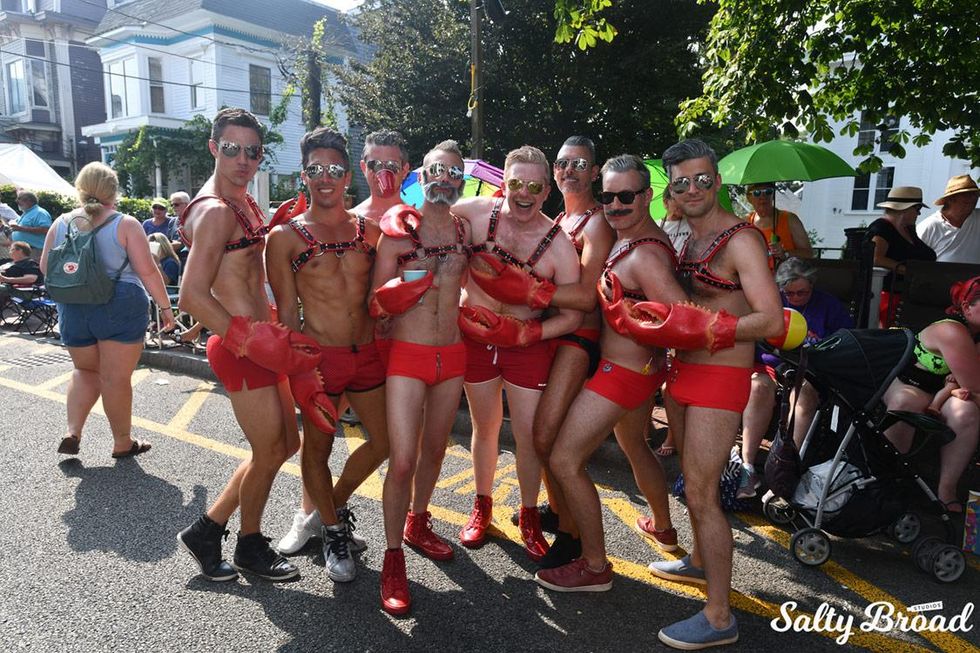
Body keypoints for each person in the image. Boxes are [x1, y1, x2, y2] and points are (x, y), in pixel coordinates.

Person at [650, 139, 783, 649]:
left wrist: (712, 332)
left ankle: (720, 615)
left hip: (720, 379)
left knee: (704, 494)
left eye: (702, 179)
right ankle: (700, 562)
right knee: (690, 478)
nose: (693, 189)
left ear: (718, 181)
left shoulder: (741, 240)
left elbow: (771, 319)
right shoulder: (683, 235)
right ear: (673, 190)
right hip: (681, 375)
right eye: (681, 182)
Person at [176, 107, 318, 583]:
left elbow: (238, 274)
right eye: (232, 149)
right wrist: (247, 339)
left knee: (285, 443)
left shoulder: (241, 200)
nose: (243, 159)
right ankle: (249, 545)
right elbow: (192, 295)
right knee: (269, 449)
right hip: (243, 347)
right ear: (214, 148)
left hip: (260, 343)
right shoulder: (216, 209)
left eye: (253, 151)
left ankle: (207, 528)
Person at [534, 154, 685, 592]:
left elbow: (681, 316)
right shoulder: (633, 236)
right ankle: (662, 527)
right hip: (637, 367)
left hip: (622, 370)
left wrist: (641, 325)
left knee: (564, 458)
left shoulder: (646, 254)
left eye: (626, 196)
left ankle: (595, 565)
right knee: (635, 445)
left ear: (647, 196)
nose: (615, 205)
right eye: (609, 197)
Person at [265, 127, 389, 583]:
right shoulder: (284, 238)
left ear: (346, 176)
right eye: (315, 169)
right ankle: (335, 532)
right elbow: (284, 312)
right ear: (304, 175)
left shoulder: (369, 231)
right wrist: (296, 368)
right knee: (317, 449)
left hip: (368, 353)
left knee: (386, 440)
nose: (325, 178)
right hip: (320, 359)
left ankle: (327, 508)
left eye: (334, 169)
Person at [451, 145, 582, 560]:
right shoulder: (472, 213)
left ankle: (528, 514)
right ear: (502, 183)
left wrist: (532, 332)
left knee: (527, 435)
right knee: (484, 425)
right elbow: (427, 234)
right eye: (515, 184)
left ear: (547, 191)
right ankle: (482, 506)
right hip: (475, 337)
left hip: (528, 346)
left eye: (534, 186)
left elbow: (575, 315)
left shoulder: (558, 244)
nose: (523, 193)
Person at [371, 139, 472, 615]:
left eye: (453, 174)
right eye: (436, 171)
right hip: (408, 355)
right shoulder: (397, 234)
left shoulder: (466, 232)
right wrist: (394, 297)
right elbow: (374, 301)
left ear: (462, 180)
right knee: (405, 459)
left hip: (452, 353)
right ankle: (393, 559)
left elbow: (484, 282)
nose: (444, 180)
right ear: (421, 175)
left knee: (436, 450)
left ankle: (418, 521)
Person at [517, 136, 614, 569]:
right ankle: (559, 512)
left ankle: (574, 537)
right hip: (552, 333)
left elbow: (587, 297)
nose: (569, 169)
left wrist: (529, 289)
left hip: (579, 340)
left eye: (579, 163)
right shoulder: (560, 217)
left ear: (595, 172)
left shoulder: (597, 223)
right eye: (562, 163)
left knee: (545, 438)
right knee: (545, 438)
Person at [40, 162, 174, 458]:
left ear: (79, 188)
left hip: (74, 306)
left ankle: (73, 431)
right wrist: (166, 308)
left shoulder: (61, 222)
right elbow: (148, 272)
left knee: (85, 370)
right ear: (114, 192)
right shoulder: (125, 224)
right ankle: (122, 442)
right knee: (115, 378)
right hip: (120, 305)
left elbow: (45, 268)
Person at [736, 257, 854, 499]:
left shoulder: (829, 305)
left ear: (812, 286)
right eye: (790, 293)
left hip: (809, 368)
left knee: (804, 397)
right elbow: (754, 340)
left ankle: (786, 469)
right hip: (772, 365)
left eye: (802, 292)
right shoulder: (771, 302)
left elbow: (845, 343)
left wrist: (817, 344)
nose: (796, 298)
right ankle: (748, 466)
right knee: (757, 388)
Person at [883, 276, 980, 512]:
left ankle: (946, 490)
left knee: (965, 412)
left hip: (948, 391)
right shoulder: (952, 330)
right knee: (905, 402)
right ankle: (886, 480)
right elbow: (976, 386)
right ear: (967, 307)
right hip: (913, 384)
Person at [866, 186, 936, 326]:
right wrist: (907, 270)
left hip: (911, 296)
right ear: (905, 209)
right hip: (888, 296)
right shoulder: (881, 228)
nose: (919, 214)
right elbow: (876, 258)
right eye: (917, 209)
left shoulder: (909, 229)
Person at [916, 175, 980, 264]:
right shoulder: (929, 227)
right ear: (951, 199)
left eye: (975, 194)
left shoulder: (977, 217)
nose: (973, 198)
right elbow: (915, 264)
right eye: (967, 194)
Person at [745, 182, 813, 266]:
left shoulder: (790, 219)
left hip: (786, 276)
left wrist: (785, 254)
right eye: (757, 193)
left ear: (773, 195)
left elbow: (809, 253)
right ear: (749, 198)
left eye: (768, 191)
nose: (763, 197)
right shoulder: (745, 222)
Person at [353, 130, 413, 221]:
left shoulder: (417, 221)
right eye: (375, 165)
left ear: (404, 170)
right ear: (364, 168)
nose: (383, 172)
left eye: (391, 165)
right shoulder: (350, 221)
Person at [11, 191, 52, 262]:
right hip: (24, 251)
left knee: (33, 271)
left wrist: (20, 228)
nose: (18, 203)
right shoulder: (27, 212)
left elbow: (46, 230)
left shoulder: (40, 212)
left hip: (34, 251)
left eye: (19, 201)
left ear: (29, 201)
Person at [659, 189, 691, 254]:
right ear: (666, 202)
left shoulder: (692, 224)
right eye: (676, 199)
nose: (681, 203)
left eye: (684, 200)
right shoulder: (655, 226)